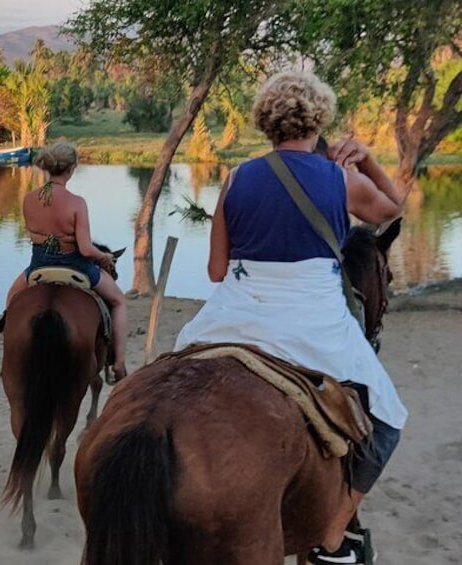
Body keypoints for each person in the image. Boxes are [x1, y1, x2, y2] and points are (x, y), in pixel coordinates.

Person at [174, 71, 407, 564]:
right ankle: (331, 535)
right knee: (388, 419)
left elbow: (216, 271)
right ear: (318, 119)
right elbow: (392, 207)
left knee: (175, 374)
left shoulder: (236, 178)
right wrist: (365, 156)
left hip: (235, 308)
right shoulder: (340, 179)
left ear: (266, 123)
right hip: (312, 315)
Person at [4, 141, 128, 381]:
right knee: (119, 301)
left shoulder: (29, 199)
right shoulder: (76, 203)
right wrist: (105, 257)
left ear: (48, 167)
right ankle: (119, 364)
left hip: (39, 267)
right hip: (75, 266)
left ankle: (11, 353)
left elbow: (35, 235)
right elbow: (85, 248)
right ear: (71, 169)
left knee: (12, 299)